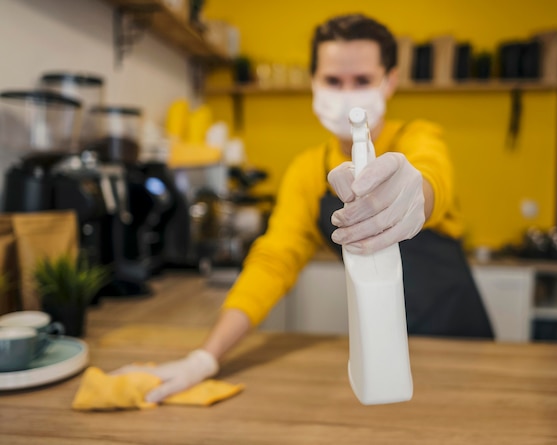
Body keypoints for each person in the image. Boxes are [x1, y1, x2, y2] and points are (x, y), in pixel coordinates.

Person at [114, 13, 493, 403]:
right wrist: (204, 358)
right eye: (333, 81)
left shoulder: (418, 138)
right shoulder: (308, 171)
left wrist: (417, 193)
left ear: (390, 81)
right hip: (377, 351)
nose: (347, 93)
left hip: (457, 343)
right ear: (314, 83)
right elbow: (273, 261)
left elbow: (433, 174)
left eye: (362, 80)